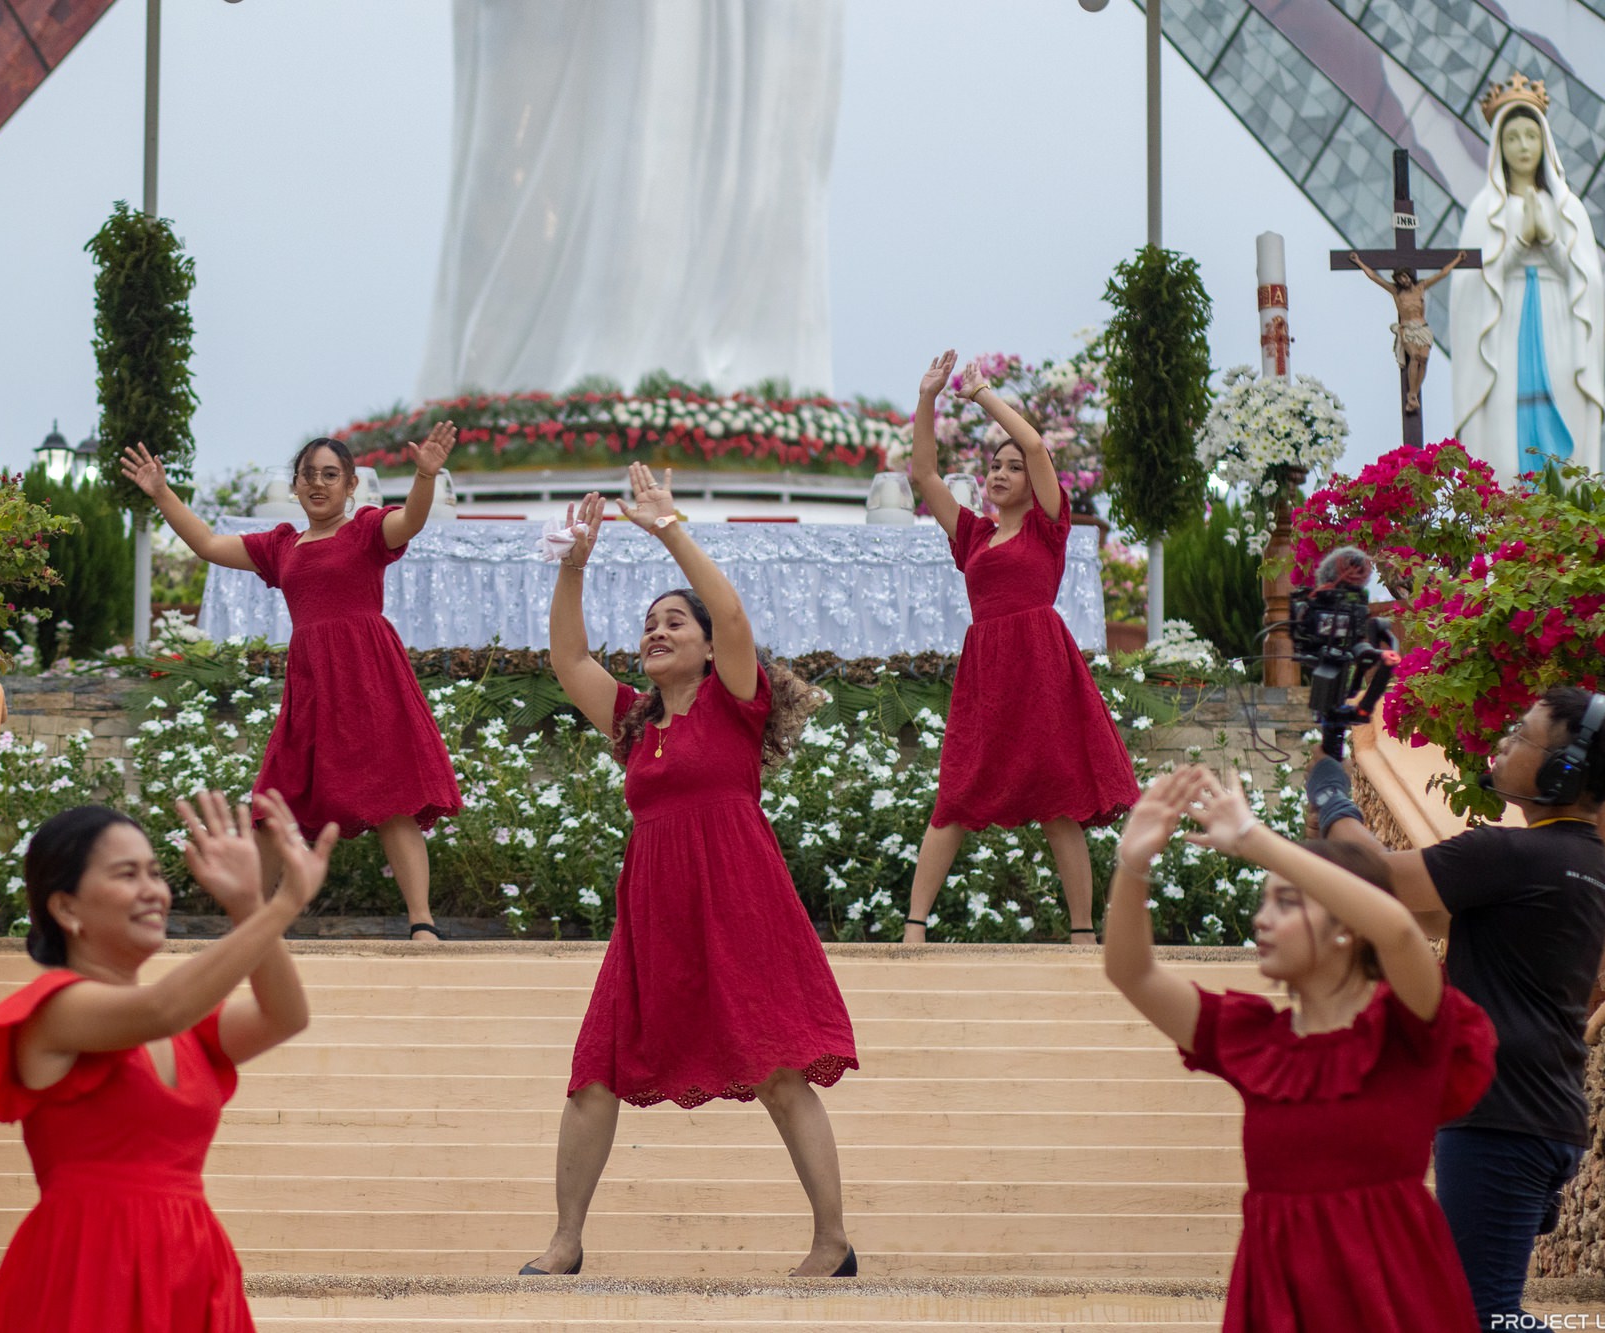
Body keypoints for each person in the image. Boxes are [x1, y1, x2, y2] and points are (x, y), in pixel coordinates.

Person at [524, 463, 859, 1278]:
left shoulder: (734, 700)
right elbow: (569, 658)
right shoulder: (634, 722)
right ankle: (565, 1241)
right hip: (653, 917)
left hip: (738, 903)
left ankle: (833, 1242)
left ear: (709, 648)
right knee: (593, 1072)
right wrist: (575, 565)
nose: (656, 631)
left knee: (779, 1072)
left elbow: (732, 611)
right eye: (648, 624)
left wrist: (668, 528)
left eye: (675, 621)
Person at [1105, 766, 1496, 1331]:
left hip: (1395, 1299)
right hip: (1279, 1301)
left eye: (1287, 903)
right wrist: (1132, 863)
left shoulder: (1407, 1026)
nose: (1262, 920)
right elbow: (1132, 973)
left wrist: (1254, 839)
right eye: (1265, 903)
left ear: (1348, 926)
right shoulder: (1256, 1040)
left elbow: (1399, 931)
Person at [1306, 687, 1605, 1330]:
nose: (1505, 741)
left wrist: (1332, 795)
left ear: (1564, 772)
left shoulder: (1515, 855)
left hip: (1502, 1118)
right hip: (1535, 1114)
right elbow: (1411, 912)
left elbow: (1381, 875)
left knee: (1479, 1316)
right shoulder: (1581, 862)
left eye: (1524, 734)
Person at [0, 788, 335, 1332]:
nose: (153, 890)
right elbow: (162, 1008)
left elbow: (284, 1017)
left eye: (156, 874)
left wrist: (249, 907)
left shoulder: (186, 1030)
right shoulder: (57, 1010)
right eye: (127, 874)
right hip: (90, 1270)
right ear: (67, 908)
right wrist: (282, 907)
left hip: (191, 1264)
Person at [121, 432, 463, 940]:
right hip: (312, 687)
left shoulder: (367, 530)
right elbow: (208, 544)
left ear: (351, 486)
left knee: (393, 799)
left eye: (331, 475)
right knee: (273, 803)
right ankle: (254, 926)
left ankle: (422, 924)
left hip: (370, 679)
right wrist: (161, 492)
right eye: (309, 475)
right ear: (296, 486)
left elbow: (410, 520)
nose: (318, 483)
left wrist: (426, 474)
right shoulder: (282, 546)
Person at [901, 350, 1139, 945]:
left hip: (1041, 669)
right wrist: (928, 397)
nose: (1001, 473)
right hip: (988, 675)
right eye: (994, 466)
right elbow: (924, 476)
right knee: (956, 794)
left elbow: (1035, 446)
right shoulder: (974, 535)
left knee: (1058, 803)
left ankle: (1082, 933)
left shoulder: (1047, 527)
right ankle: (913, 929)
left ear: (1034, 481)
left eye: (1012, 467)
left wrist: (982, 394)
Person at [1449, 77, 1605, 476]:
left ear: (1544, 142)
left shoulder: (1568, 208)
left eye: (1531, 136)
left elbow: (1588, 284)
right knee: (1504, 417)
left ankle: (1565, 495)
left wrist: (1550, 241)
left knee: (1564, 402)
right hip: (1504, 323)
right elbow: (1468, 289)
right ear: (1499, 146)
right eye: (1513, 138)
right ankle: (1506, 498)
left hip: (1558, 321)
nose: (1523, 146)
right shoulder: (1485, 210)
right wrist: (1519, 243)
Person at [1348, 250, 1461, 414]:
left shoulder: (1421, 287)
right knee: (1414, 356)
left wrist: (1458, 259)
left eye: (1405, 277)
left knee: (1424, 359)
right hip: (1407, 329)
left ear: (1409, 276)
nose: (1403, 280)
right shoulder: (1396, 292)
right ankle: (1412, 395)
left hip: (1423, 328)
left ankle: (1414, 393)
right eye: (1400, 279)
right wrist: (1359, 262)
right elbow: (1374, 277)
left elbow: (1442, 273)